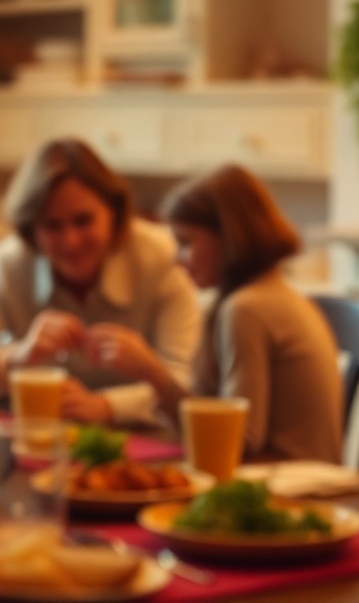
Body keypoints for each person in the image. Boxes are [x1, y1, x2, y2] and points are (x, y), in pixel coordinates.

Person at [0, 137, 201, 428]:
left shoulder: (163, 256)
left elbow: (192, 385)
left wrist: (107, 406)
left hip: (146, 441)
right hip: (42, 442)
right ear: (30, 228)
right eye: (51, 225)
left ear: (114, 211)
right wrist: (16, 358)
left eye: (83, 221)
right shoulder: (8, 264)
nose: (69, 242)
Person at [141, 163, 344, 462]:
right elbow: (208, 408)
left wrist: (152, 373)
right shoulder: (268, 295)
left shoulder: (246, 309)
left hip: (286, 487)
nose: (177, 259)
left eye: (186, 242)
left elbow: (239, 439)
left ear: (228, 236)